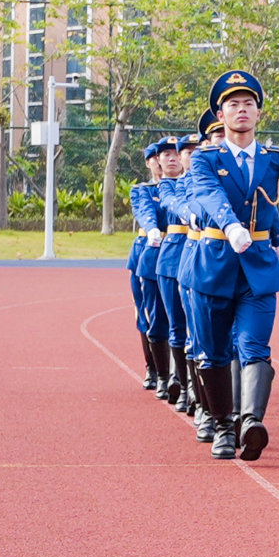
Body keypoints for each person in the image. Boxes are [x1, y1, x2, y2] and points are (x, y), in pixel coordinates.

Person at [180, 70, 279, 460]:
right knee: (213, 351)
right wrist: (229, 225)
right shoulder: (205, 159)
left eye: (248, 104)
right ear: (221, 114)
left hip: (258, 266)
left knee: (254, 346)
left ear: (259, 113)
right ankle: (223, 425)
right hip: (213, 265)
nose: (241, 110)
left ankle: (250, 421)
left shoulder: (275, 159)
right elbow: (208, 195)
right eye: (232, 105)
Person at [154, 132, 202, 429]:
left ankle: (199, 391)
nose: (192, 155)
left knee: (201, 330)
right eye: (187, 151)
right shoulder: (170, 186)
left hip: (202, 260)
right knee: (178, 327)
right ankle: (183, 386)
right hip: (174, 259)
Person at [129, 141, 168, 393]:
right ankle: (152, 367)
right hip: (148, 250)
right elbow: (144, 212)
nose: (160, 161)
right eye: (155, 157)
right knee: (146, 311)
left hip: (175, 247)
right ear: (149, 162)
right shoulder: (143, 190)